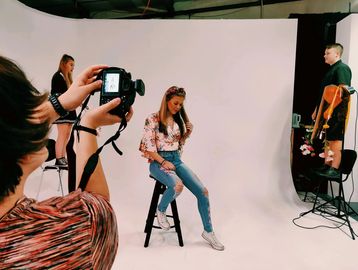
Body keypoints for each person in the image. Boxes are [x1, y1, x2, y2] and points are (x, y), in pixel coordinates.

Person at [0, 56, 131, 268]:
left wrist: (58, 104)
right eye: (31, 107)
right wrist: (87, 128)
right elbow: (97, 205)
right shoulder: (74, 232)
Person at [139, 86, 224, 251]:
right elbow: (148, 148)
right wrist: (163, 162)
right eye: (175, 103)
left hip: (176, 160)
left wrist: (186, 135)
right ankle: (161, 210)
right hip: (157, 163)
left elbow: (177, 146)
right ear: (167, 100)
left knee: (203, 192)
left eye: (180, 105)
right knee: (177, 185)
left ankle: (208, 232)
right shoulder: (153, 119)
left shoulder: (178, 120)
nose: (178, 107)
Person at [311, 43, 352, 178]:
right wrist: (318, 109)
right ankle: (327, 165)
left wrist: (329, 110)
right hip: (326, 111)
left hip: (337, 112)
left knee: (335, 139)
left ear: (337, 54)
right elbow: (325, 95)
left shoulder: (342, 68)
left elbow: (341, 92)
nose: (325, 55)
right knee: (328, 139)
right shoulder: (331, 69)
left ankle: (334, 168)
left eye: (328, 53)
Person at [51, 54, 76, 167]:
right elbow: (57, 95)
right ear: (64, 64)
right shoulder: (57, 77)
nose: (72, 68)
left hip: (69, 109)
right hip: (62, 110)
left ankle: (62, 156)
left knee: (66, 134)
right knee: (62, 134)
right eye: (71, 64)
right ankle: (59, 158)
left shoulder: (66, 78)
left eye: (73, 65)